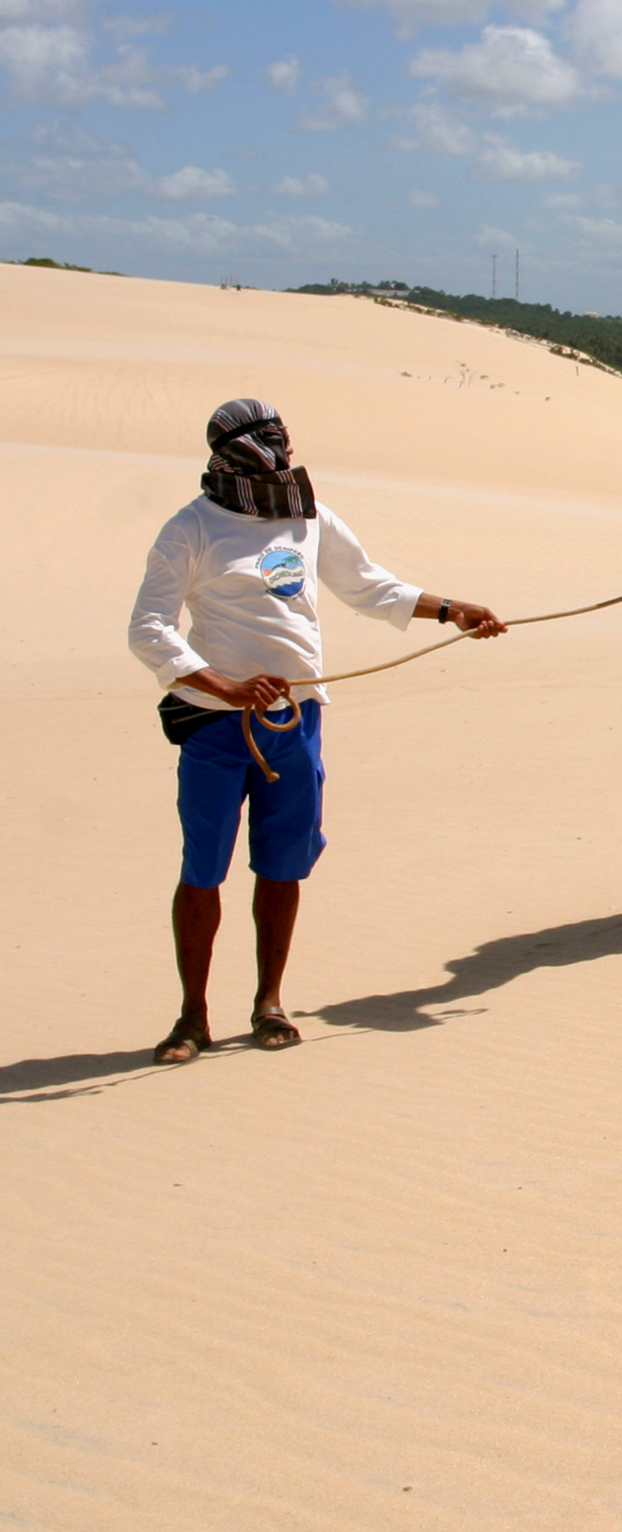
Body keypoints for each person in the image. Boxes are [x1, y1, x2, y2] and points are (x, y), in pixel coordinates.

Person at [127, 399, 506, 1065]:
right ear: (234, 452)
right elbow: (149, 629)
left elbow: (367, 586)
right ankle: (192, 1016)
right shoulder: (191, 528)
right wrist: (223, 684)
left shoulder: (307, 519)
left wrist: (450, 610)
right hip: (218, 729)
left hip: (297, 723)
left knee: (283, 865)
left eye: (283, 438)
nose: (283, 451)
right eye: (268, 441)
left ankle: (269, 1003)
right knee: (203, 869)